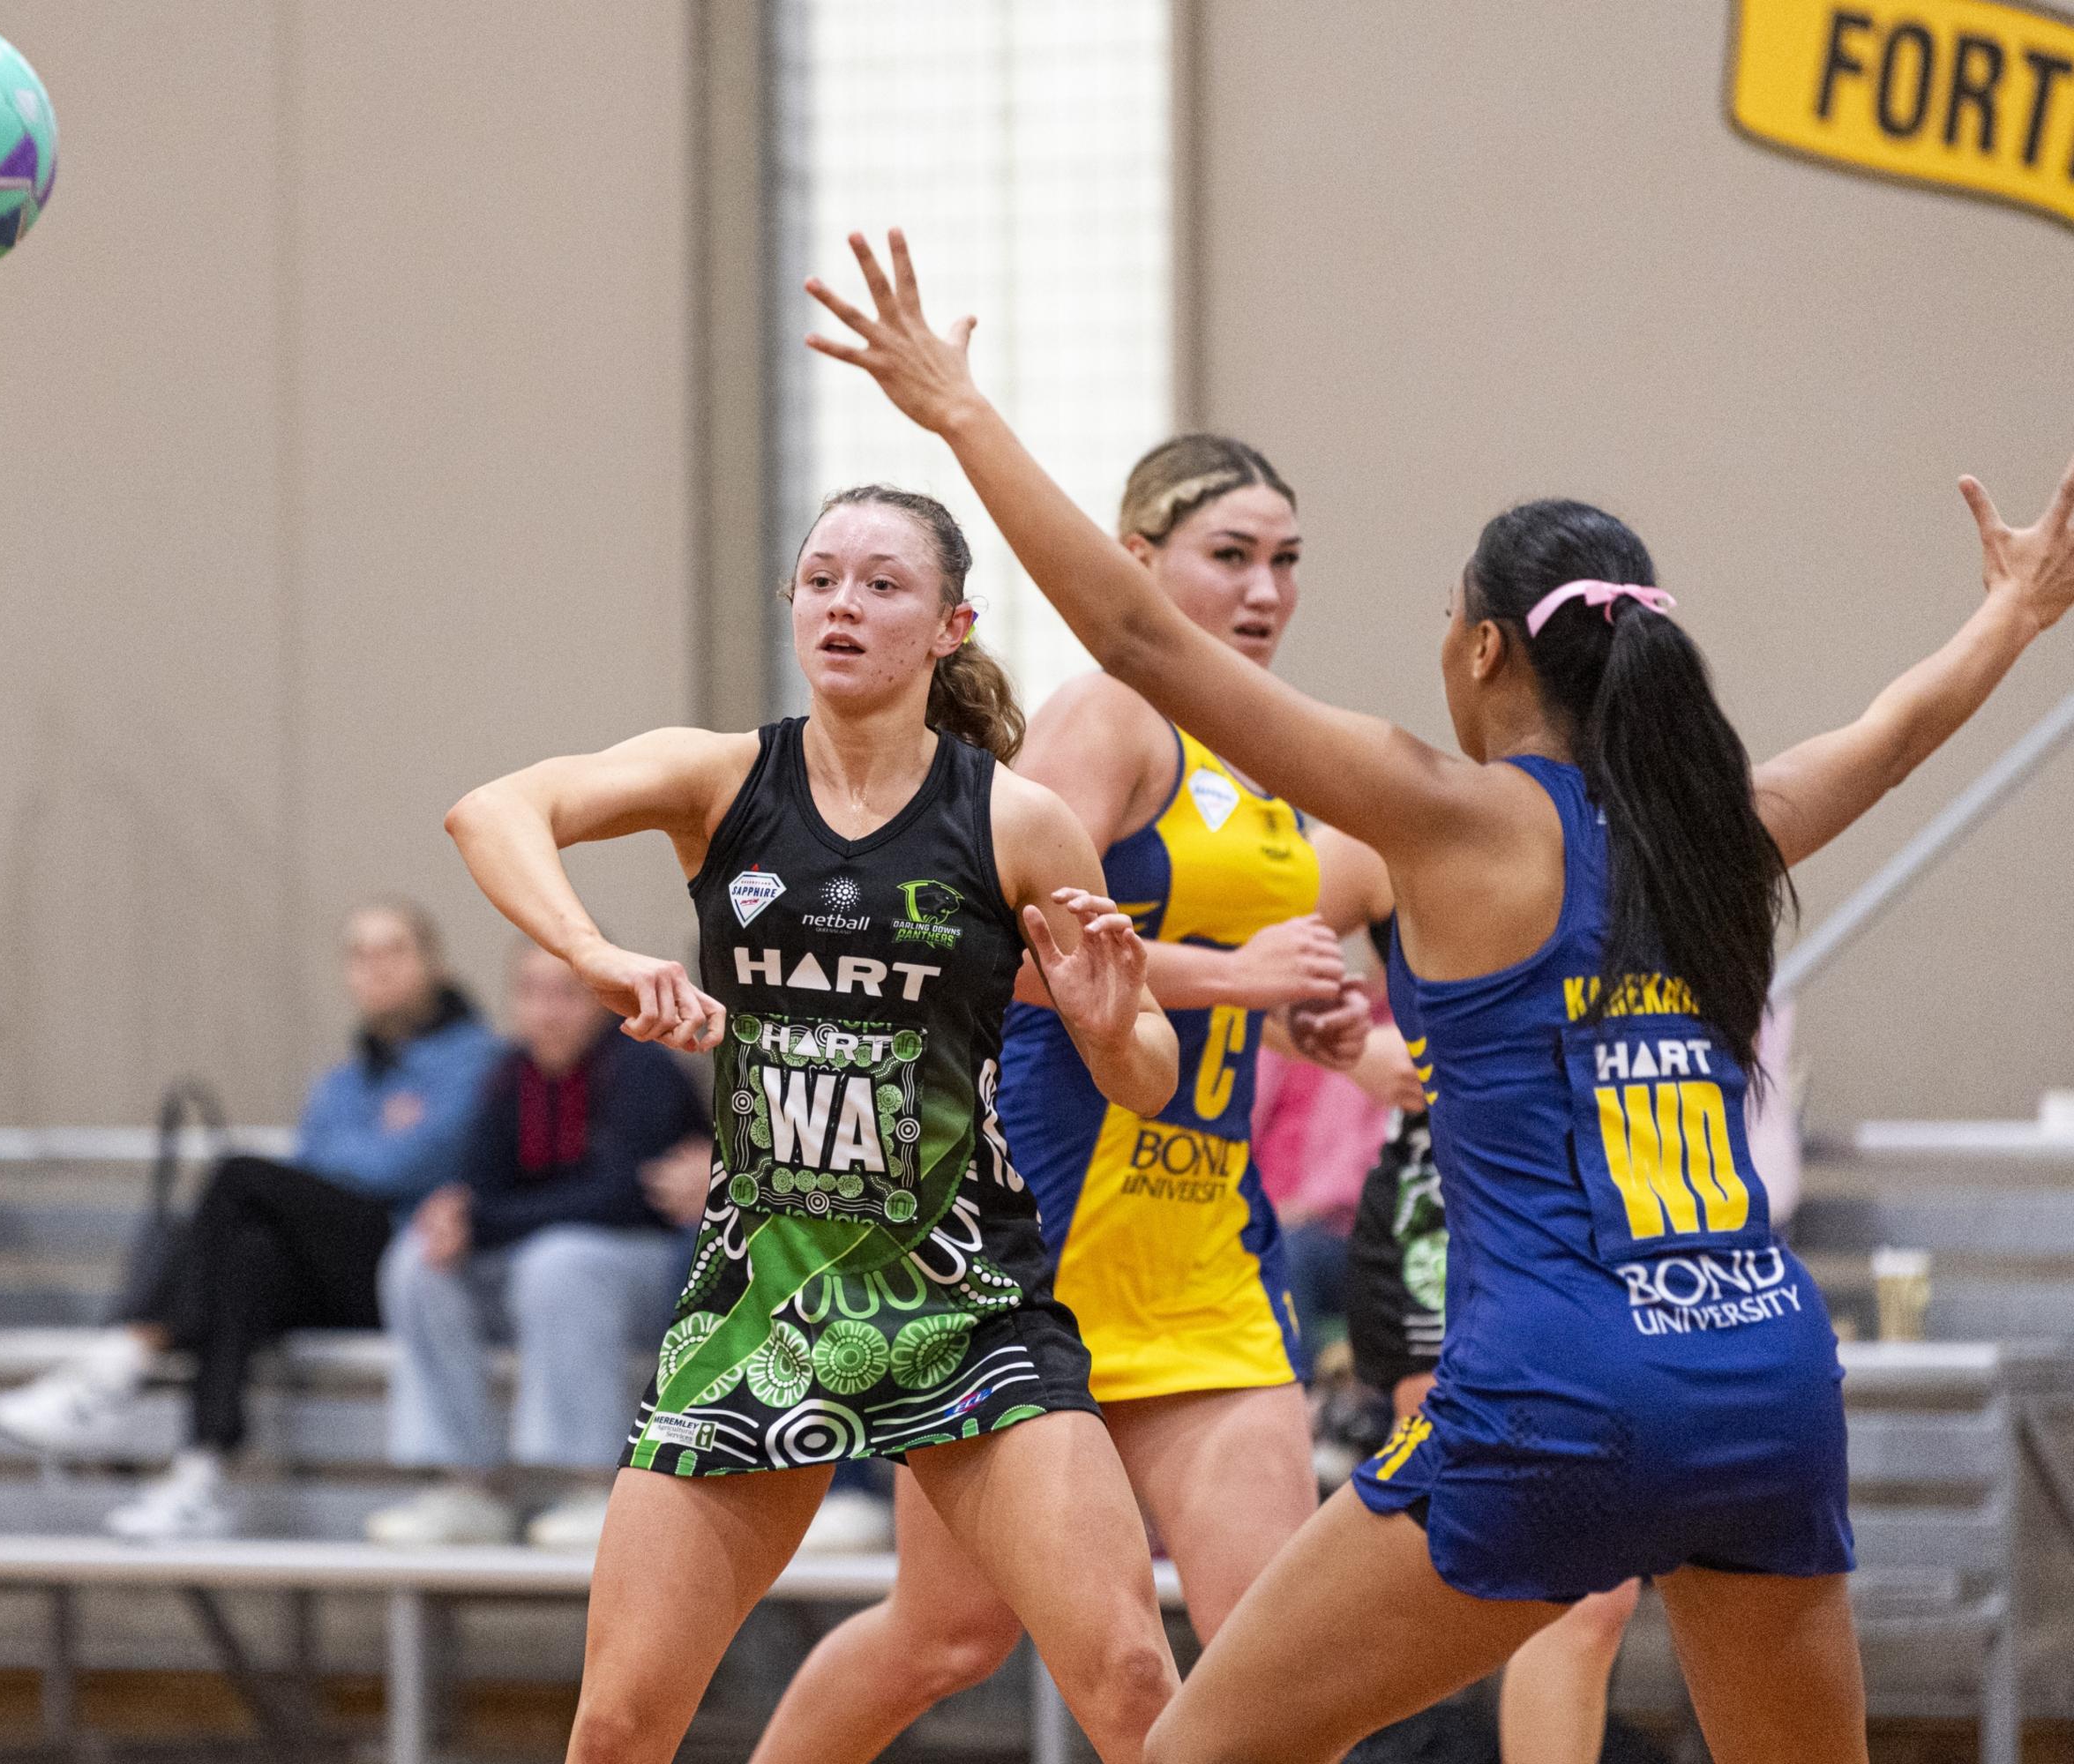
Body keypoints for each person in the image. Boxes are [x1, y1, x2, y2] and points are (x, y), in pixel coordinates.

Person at [806, 224, 2074, 1763]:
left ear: (1484, 649)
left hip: (1559, 1395)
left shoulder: (1456, 819)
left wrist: (956, 412)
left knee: (1203, 1751)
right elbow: (1894, 727)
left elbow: (1136, 634)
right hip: (1765, 1376)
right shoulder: (1722, 825)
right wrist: (2012, 613)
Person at [445, 481, 1185, 1764]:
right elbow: (494, 812)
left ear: (950, 624)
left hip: (964, 1306)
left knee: (1128, 1680)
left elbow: (1148, 1078)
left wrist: (1111, 1022)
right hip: (758, 1305)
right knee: (618, 1726)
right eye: (824, 577)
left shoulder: (1016, 819)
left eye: (884, 584)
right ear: (792, 602)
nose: (846, 602)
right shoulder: (723, 779)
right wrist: (595, 954)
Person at [749, 435, 1376, 1764]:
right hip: (1043, 1247)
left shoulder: (1266, 750)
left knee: (1275, 1669)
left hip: (1206, 1253)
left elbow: (1257, 978)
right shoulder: (1111, 718)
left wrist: (1323, 1021)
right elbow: (988, 943)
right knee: (949, 1638)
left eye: (1286, 562)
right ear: (1137, 564)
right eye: (1230, 557)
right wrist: (1231, 974)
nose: (1264, 591)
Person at [0, 900, 505, 1543]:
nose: (375, 969)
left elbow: (406, 1163)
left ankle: (125, 1353)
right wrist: (365, 1149)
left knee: (240, 1176)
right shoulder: (343, 1079)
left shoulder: (479, 1060)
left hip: (409, 1267)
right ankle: (203, 1471)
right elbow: (332, 1162)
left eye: (394, 951)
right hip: (332, 1264)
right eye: (359, 954)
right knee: (247, 1256)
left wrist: (355, 1157)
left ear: (435, 964)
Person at [1325, 831, 1636, 1764]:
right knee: (1529, 1560)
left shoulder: (1643, 826)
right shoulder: (1407, 828)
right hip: (1445, 1219)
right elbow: (1220, 959)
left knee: (1591, 1591)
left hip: (1580, 1225)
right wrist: (1351, 1047)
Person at [364, 941, 707, 1549]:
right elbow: (479, 1182)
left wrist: (483, 1220)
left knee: (563, 1261)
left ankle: (594, 1481)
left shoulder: (642, 1065)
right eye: (531, 993)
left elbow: (621, 1196)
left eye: (566, 993)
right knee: (417, 1261)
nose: (547, 1011)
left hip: (644, 1271)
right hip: (541, 1270)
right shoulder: (508, 1076)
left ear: (605, 998)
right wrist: (452, 1216)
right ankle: (467, 1483)